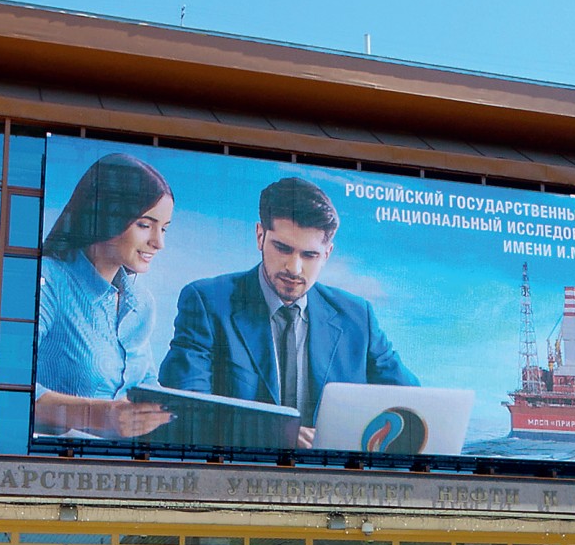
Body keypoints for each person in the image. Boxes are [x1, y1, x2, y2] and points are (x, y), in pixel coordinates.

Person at [159, 176, 417, 446]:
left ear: (327, 254)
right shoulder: (206, 303)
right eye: (283, 249)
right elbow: (184, 412)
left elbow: (413, 407)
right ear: (260, 236)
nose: (294, 268)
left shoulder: (358, 317)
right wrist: (277, 435)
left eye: (309, 255)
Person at [32, 152, 178, 439]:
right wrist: (100, 415)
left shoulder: (141, 303)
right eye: (145, 225)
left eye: (163, 229)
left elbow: (148, 385)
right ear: (105, 215)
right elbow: (8, 386)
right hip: (55, 458)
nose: (158, 242)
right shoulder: (48, 281)